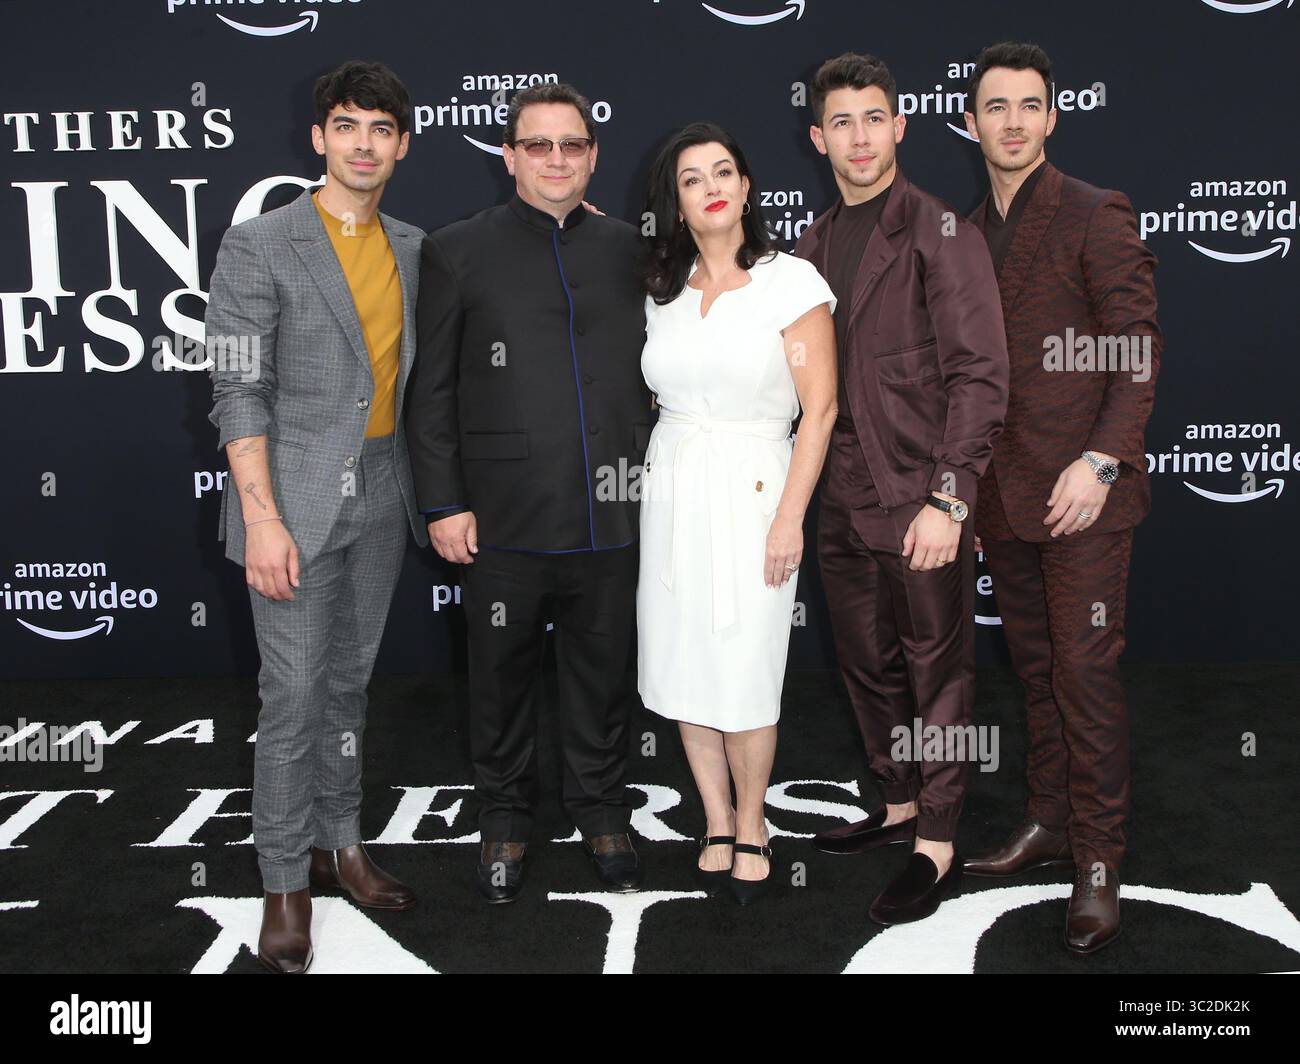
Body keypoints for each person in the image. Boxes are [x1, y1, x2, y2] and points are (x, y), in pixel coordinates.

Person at [405, 83, 652, 904]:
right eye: (537, 145)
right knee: (499, 679)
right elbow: (430, 390)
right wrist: (443, 501)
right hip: (500, 517)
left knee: (601, 674)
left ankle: (601, 807)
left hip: (614, 510)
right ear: (508, 156)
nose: (556, 159)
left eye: (571, 145)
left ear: (592, 155)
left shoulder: (631, 250)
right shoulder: (455, 249)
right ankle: (506, 819)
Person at [207, 61, 428, 974]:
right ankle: (284, 882)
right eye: (347, 126)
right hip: (289, 500)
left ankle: (344, 846)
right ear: (319, 139)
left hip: (382, 490)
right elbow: (234, 384)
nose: (363, 144)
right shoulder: (257, 244)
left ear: (402, 144)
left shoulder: (414, 246)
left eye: (381, 129)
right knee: (293, 697)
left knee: (347, 684)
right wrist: (261, 518)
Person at [794, 53, 1009, 925]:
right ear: (818, 137)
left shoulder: (937, 230)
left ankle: (940, 838)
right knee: (867, 666)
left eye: (873, 118)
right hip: (839, 501)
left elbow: (981, 374)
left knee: (940, 674)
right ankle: (897, 805)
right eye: (841, 122)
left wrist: (949, 501)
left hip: (920, 498)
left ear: (899, 126)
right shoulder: (808, 244)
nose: (859, 136)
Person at [959, 41, 1160, 954]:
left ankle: (1100, 861)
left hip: (1085, 495)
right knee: (1035, 673)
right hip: (1003, 498)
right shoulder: (963, 234)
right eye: (995, 107)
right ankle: (1048, 822)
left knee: (1083, 676)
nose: (1012, 121)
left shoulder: (1093, 213)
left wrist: (1104, 460)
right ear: (971, 122)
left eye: (1027, 105)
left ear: (1051, 116)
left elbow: (1135, 350)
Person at [637, 122, 837, 905]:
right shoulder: (662, 289)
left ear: (748, 188)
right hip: (674, 488)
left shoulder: (792, 282)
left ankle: (755, 821)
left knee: (748, 666)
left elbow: (818, 410)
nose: (712, 186)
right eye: (692, 178)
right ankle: (715, 817)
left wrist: (790, 518)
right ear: (677, 202)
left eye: (724, 171)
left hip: (759, 486)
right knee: (687, 658)